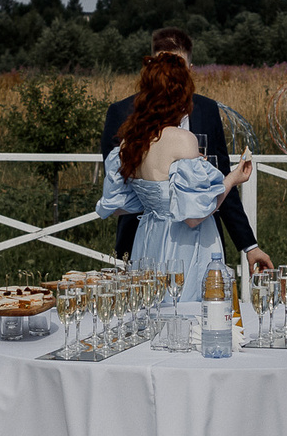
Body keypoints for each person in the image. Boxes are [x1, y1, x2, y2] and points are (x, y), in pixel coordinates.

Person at [98, 27, 274, 273]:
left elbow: (115, 199)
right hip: (185, 247)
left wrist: (250, 246)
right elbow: (192, 214)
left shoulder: (135, 138)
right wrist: (232, 178)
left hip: (149, 242)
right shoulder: (123, 114)